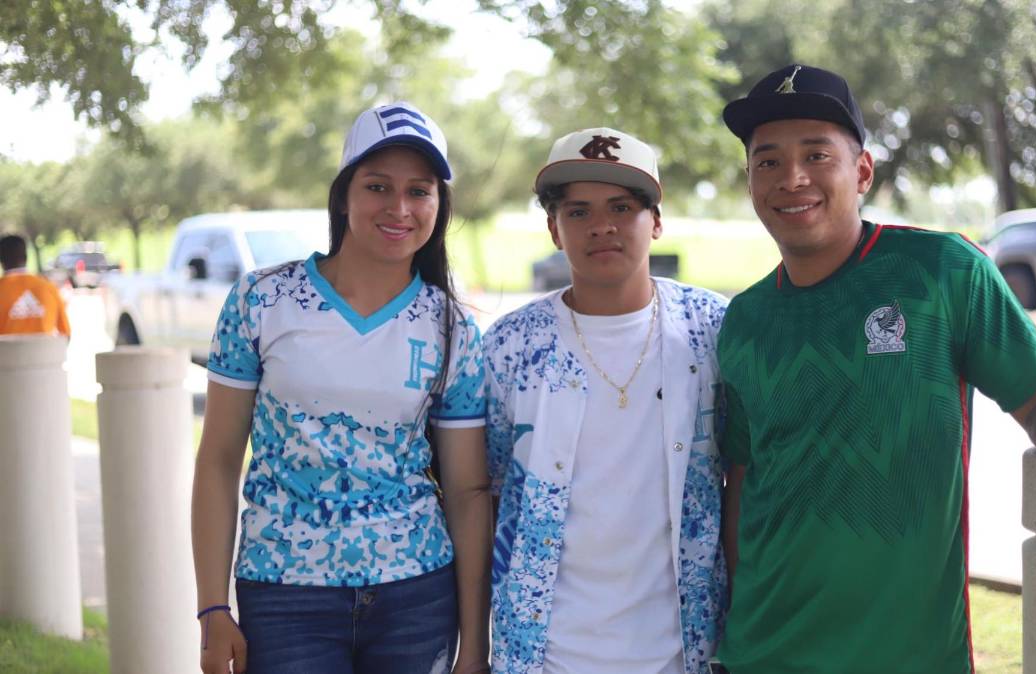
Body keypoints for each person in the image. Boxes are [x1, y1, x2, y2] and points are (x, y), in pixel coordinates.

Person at [715, 64, 1036, 673]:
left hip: (910, 655)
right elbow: (744, 478)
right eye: (768, 161)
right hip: (762, 654)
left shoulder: (941, 271)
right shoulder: (746, 318)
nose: (792, 177)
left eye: (816, 155)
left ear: (862, 171)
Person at [191, 102, 492, 674]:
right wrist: (212, 607)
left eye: (419, 191)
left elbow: (468, 491)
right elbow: (219, 458)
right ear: (343, 196)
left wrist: (474, 647)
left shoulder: (450, 326)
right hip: (284, 593)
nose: (399, 208)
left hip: (417, 597)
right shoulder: (263, 300)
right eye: (378, 186)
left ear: (439, 204)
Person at [483, 128, 728, 674]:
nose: (602, 226)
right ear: (554, 228)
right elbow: (492, 487)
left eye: (622, 207)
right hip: (545, 653)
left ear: (656, 220)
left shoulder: (711, 328)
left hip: (683, 650)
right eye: (578, 212)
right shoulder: (511, 345)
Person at [0, 234, 70, 338]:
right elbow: (65, 334)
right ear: (26, 257)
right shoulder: (49, 287)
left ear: (1, 259)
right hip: (44, 349)